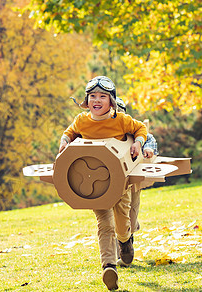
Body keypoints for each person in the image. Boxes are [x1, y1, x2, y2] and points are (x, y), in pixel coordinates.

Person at [59, 76, 148, 290]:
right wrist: (64, 141)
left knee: (121, 224)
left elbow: (141, 129)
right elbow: (69, 132)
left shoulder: (120, 120)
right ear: (86, 100)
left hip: (120, 180)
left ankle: (125, 240)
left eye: (102, 96)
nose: (96, 100)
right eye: (92, 96)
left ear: (112, 101)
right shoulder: (82, 120)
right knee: (104, 224)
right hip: (95, 185)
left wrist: (138, 142)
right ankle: (109, 266)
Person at [114, 98, 159, 267]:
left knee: (131, 215)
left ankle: (129, 236)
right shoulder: (101, 132)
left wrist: (148, 148)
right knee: (112, 219)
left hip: (132, 180)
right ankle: (119, 251)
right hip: (111, 182)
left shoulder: (131, 129)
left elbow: (149, 138)